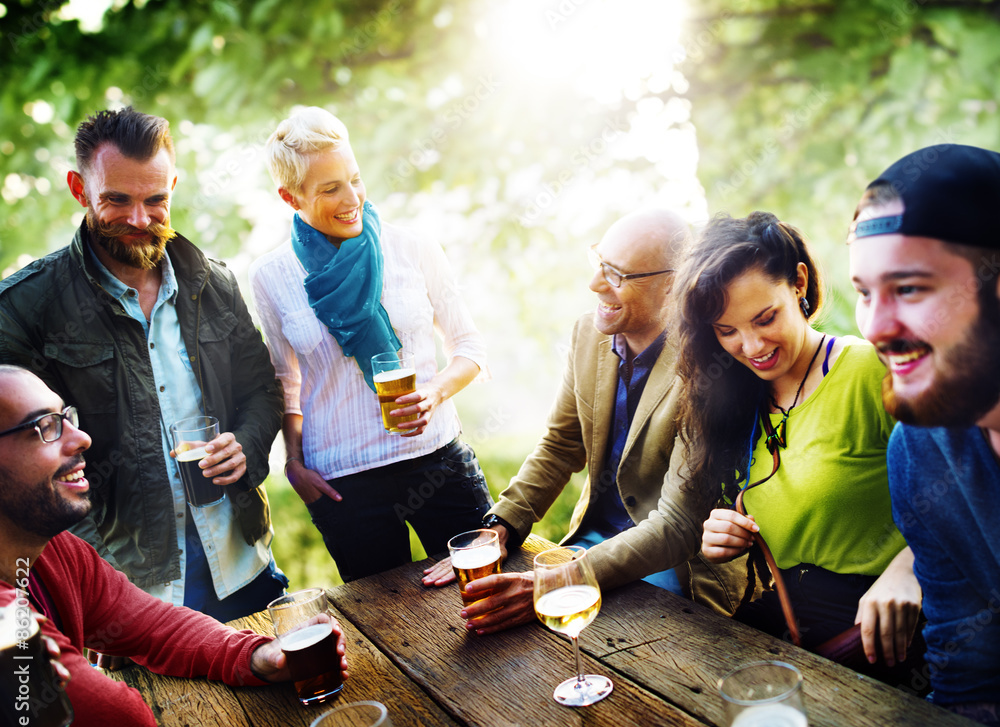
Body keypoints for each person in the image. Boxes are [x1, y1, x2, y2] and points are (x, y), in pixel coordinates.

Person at [750, 145, 1000, 727]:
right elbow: (968, 676)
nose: (877, 327)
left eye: (910, 289)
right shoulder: (920, 447)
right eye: (865, 293)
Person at [0, 107, 287, 624]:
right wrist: (89, 570)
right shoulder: (24, 308)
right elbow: (16, 462)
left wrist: (245, 445)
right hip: (130, 596)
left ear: (173, 185)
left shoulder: (215, 282)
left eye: (156, 200)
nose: (138, 219)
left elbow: (262, 392)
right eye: (116, 200)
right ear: (78, 187)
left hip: (247, 566)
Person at [0, 365, 349, 727]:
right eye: (44, 427)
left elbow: (155, 625)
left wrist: (255, 656)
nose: (82, 438)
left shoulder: (54, 550)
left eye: (65, 418)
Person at [422, 208, 748, 633]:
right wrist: (501, 525)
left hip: (673, 568)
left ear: (671, 288)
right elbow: (560, 445)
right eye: (599, 263)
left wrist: (557, 579)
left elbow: (676, 527)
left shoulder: (707, 367)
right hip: (592, 543)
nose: (594, 284)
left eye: (617, 275)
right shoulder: (587, 335)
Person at [250, 107, 493, 583]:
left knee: (486, 594)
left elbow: (470, 347)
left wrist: (436, 392)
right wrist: (294, 464)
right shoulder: (271, 275)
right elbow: (285, 380)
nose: (352, 198)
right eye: (329, 189)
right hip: (344, 486)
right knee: (389, 630)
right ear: (289, 196)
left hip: (438, 461)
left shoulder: (413, 247)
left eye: (354, 179)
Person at [673, 211, 921, 668]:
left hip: (877, 631)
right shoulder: (733, 397)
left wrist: (909, 570)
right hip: (787, 623)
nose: (751, 347)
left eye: (765, 318)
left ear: (799, 283)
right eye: (727, 331)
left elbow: (970, 497)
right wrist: (722, 535)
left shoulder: (870, 371)